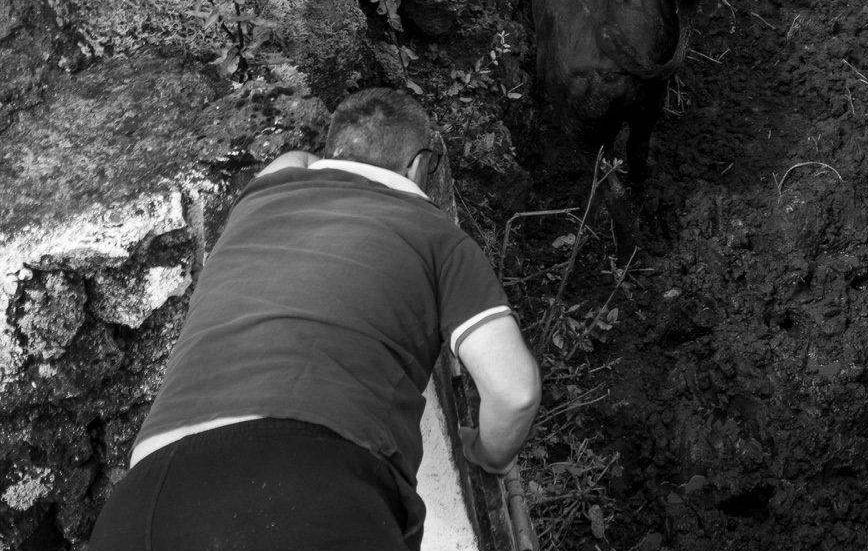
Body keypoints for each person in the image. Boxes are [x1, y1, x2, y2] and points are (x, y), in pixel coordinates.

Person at [88, 89, 541, 551]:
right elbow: (515, 392)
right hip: (310, 478)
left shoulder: (259, 200)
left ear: (331, 152)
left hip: (143, 497)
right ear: (420, 166)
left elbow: (294, 161)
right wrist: (488, 454)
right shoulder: (437, 237)